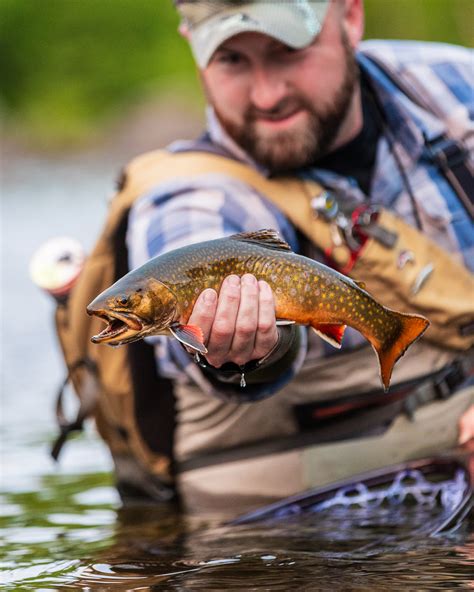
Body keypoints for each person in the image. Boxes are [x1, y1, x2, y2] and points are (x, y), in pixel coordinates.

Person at [72, 0, 474, 513]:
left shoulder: (454, 89)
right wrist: (239, 354)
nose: (267, 94)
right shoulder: (189, 195)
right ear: (196, 53)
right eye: (232, 60)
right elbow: (188, 269)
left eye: (287, 51)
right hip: (274, 516)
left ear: (350, 18)